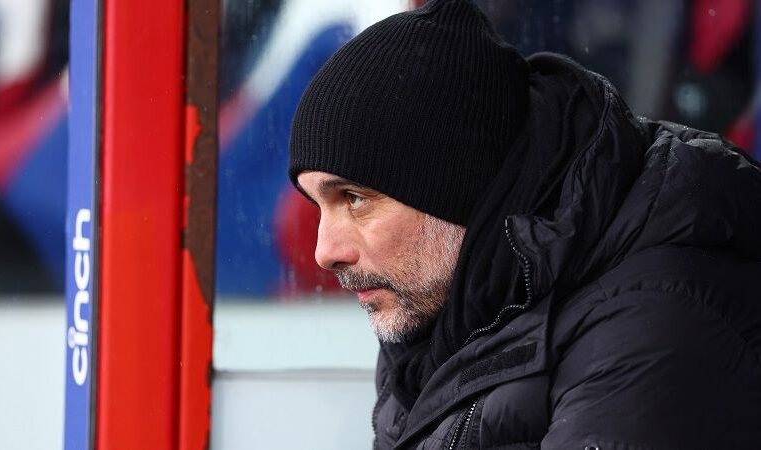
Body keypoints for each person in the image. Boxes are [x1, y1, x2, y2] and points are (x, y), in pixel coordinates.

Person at [288, 0, 761, 448]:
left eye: (353, 198)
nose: (324, 251)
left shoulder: (649, 326)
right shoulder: (440, 316)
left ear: (455, 187)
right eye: (318, 206)